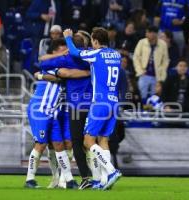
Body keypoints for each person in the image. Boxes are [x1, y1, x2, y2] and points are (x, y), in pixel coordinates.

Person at [63, 27, 122, 190]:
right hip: (114, 102)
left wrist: (68, 38)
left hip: (100, 103)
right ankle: (104, 181)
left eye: (93, 42)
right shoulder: (116, 55)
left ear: (95, 42)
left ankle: (111, 171)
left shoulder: (96, 54)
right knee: (103, 140)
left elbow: (75, 53)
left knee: (88, 140)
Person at [25, 39, 88, 189]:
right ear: (54, 53)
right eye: (63, 51)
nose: (66, 54)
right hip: (40, 109)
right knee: (40, 144)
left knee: (59, 145)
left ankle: (69, 180)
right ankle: (29, 179)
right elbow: (63, 74)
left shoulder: (53, 65)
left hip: (53, 111)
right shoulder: (52, 65)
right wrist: (87, 72)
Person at [133, 26, 169, 102]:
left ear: (155, 34)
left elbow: (165, 61)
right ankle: (142, 110)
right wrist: (140, 71)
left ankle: (153, 112)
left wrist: (161, 76)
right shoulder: (142, 42)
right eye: (147, 32)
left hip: (157, 75)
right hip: (144, 74)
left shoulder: (163, 44)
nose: (147, 34)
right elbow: (136, 57)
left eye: (149, 32)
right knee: (141, 95)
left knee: (155, 97)